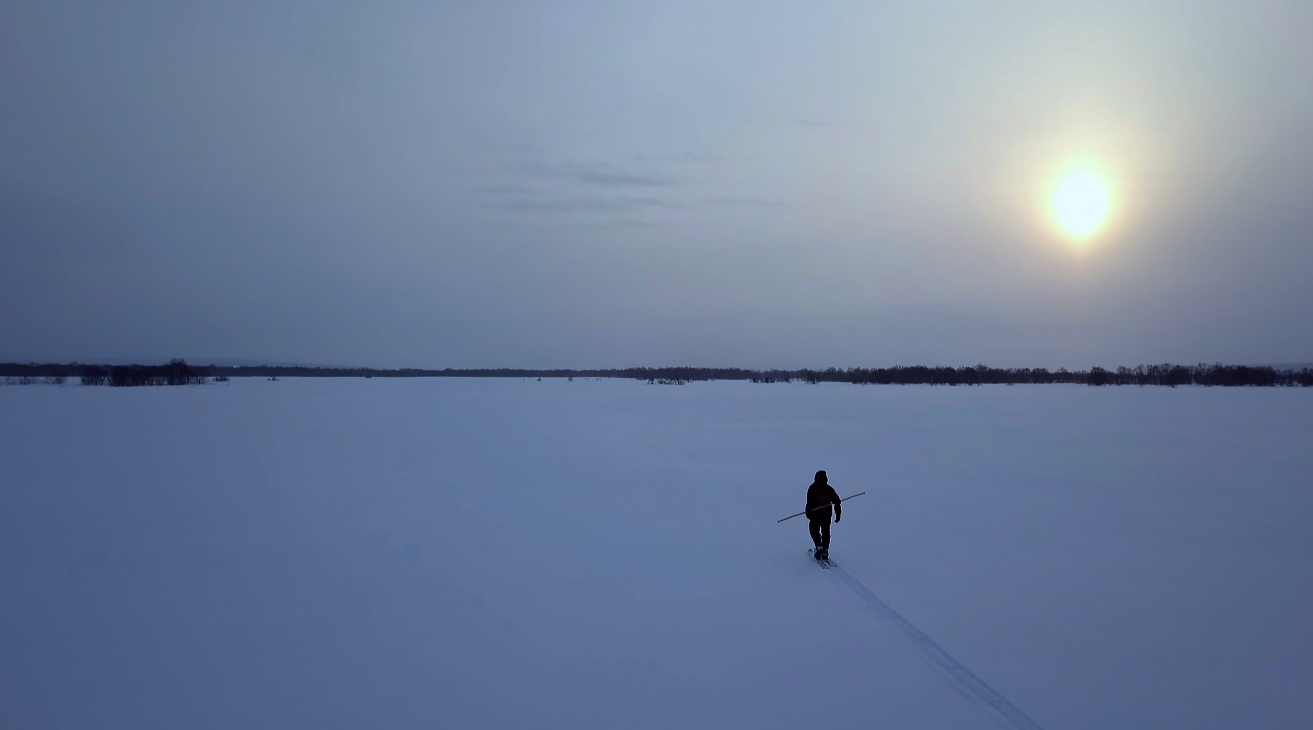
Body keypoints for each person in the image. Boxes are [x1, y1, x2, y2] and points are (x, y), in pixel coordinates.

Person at [806, 470, 841, 559]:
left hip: (815, 515)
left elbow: (809, 502)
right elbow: (837, 501)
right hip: (827, 515)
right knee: (826, 533)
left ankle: (819, 546)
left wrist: (808, 512)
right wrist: (838, 514)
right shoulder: (830, 489)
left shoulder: (812, 488)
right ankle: (825, 550)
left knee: (814, 530)